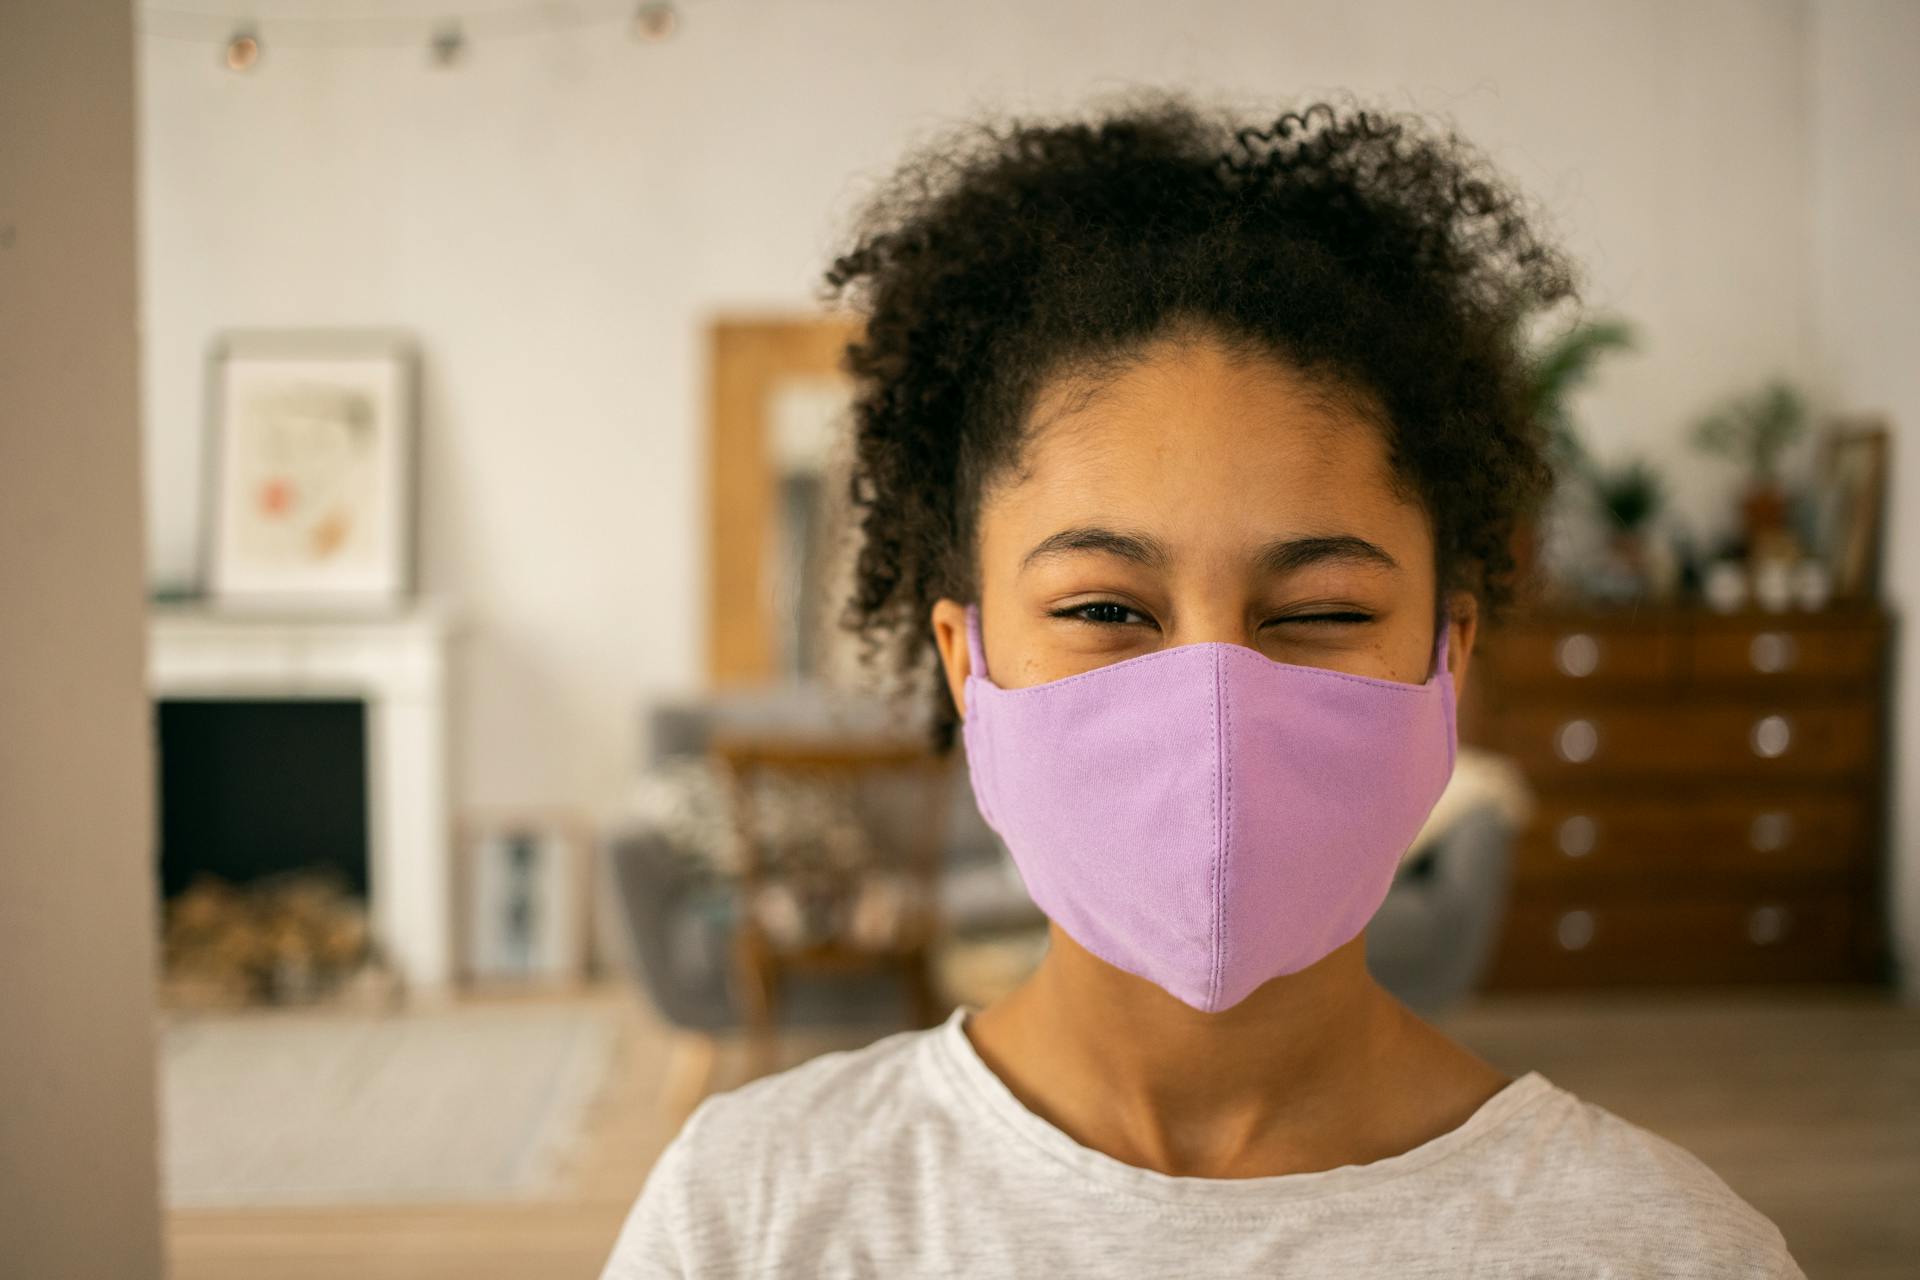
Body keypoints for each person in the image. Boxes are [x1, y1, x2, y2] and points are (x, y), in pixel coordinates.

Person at [600, 92, 1805, 1278]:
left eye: (1322, 611)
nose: (1214, 707)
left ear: (1452, 654)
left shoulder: (1668, 1250)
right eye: (1106, 610)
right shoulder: (746, 1216)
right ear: (969, 661)